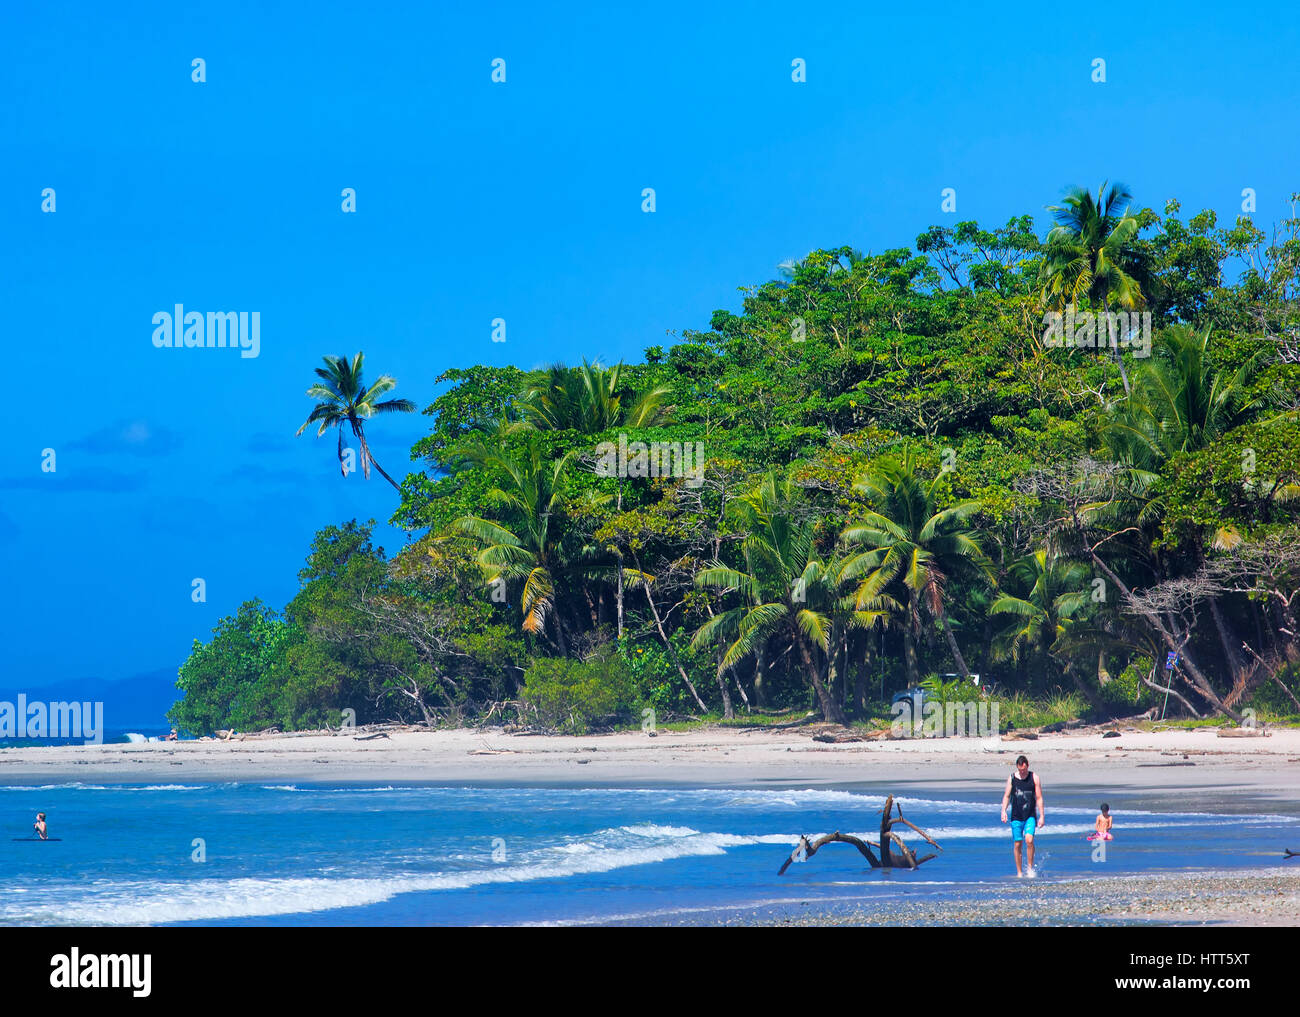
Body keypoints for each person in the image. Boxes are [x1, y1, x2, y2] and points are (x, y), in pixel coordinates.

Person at [1000, 755, 1044, 876]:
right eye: (1020, 770)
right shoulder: (1012, 778)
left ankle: (1030, 869)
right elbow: (1007, 796)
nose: (1022, 772)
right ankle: (1019, 872)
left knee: (1029, 840)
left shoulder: (1034, 778)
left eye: (1024, 770)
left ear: (1027, 766)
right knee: (1018, 843)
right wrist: (1003, 811)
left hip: (1030, 815)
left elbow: (1039, 798)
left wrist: (1042, 816)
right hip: (1016, 816)